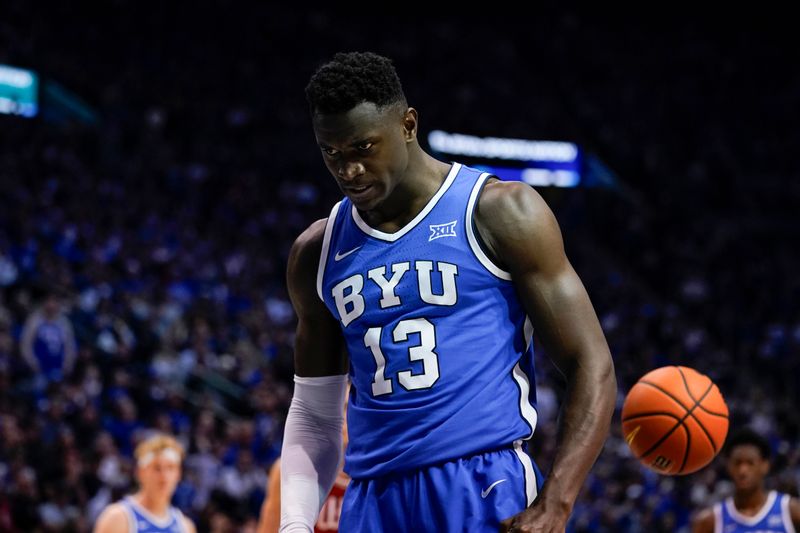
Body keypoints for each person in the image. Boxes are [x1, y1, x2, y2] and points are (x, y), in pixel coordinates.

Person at [280, 51, 617, 532]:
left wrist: (556, 502)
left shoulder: (502, 212)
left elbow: (592, 362)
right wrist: (292, 524)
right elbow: (314, 414)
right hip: (371, 500)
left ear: (408, 125)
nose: (347, 169)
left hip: (481, 485)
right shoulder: (317, 251)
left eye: (362, 148)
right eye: (331, 153)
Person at [692, 428, 800, 533]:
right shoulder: (710, 521)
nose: (743, 471)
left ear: (765, 465)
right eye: (737, 463)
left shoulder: (791, 511)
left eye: (750, 463)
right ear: (728, 466)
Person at [93, 433, 196, 533]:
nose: (164, 476)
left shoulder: (185, 526)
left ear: (178, 474)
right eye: (157, 468)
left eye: (170, 468)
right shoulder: (117, 518)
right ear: (140, 472)